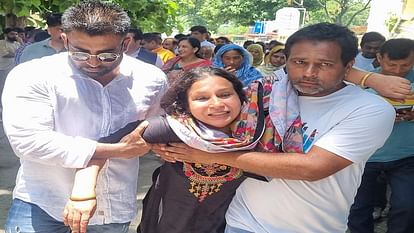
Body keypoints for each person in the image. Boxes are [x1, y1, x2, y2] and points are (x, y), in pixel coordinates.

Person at [152, 22, 397, 233]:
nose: (309, 73)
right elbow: (198, 118)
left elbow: (313, 167)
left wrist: (209, 155)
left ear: (348, 66)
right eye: (299, 62)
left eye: (325, 64)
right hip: (240, 222)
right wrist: (150, 140)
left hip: (311, 227)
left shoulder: (369, 109)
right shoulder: (263, 92)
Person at [2, 1, 167, 233]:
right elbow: (29, 142)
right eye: (80, 53)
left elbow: (153, 130)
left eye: (107, 54)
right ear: (65, 39)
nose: (92, 61)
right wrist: (117, 151)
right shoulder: (33, 75)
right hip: (43, 203)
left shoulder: (151, 79)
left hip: (112, 206)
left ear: (126, 43)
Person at [64, 66, 276, 233]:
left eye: (224, 94)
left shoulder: (255, 135)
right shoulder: (175, 128)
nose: (216, 104)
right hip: (165, 223)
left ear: (241, 97)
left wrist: (207, 156)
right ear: (186, 104)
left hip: (225, 224)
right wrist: (82, 194)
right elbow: (100, 148)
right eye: (201, 98)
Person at [348, 38, 414, 233]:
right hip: (367, 156)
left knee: (407, 205)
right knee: (358, 207)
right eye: (391, 64)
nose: (397, 70)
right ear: (379, 58)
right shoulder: (361, 82)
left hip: (406, 156)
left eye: (405, 65)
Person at [0, 27, 21, 123]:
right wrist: (18, 53)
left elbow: (24, 51)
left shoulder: (17, 43)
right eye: (12, 34)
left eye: (16, 34)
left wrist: (21, 43)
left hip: (15, 70)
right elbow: (5, 54)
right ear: (6, 35)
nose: (15, 36)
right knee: (2, 91)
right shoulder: (1, 43)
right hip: (3, 70)